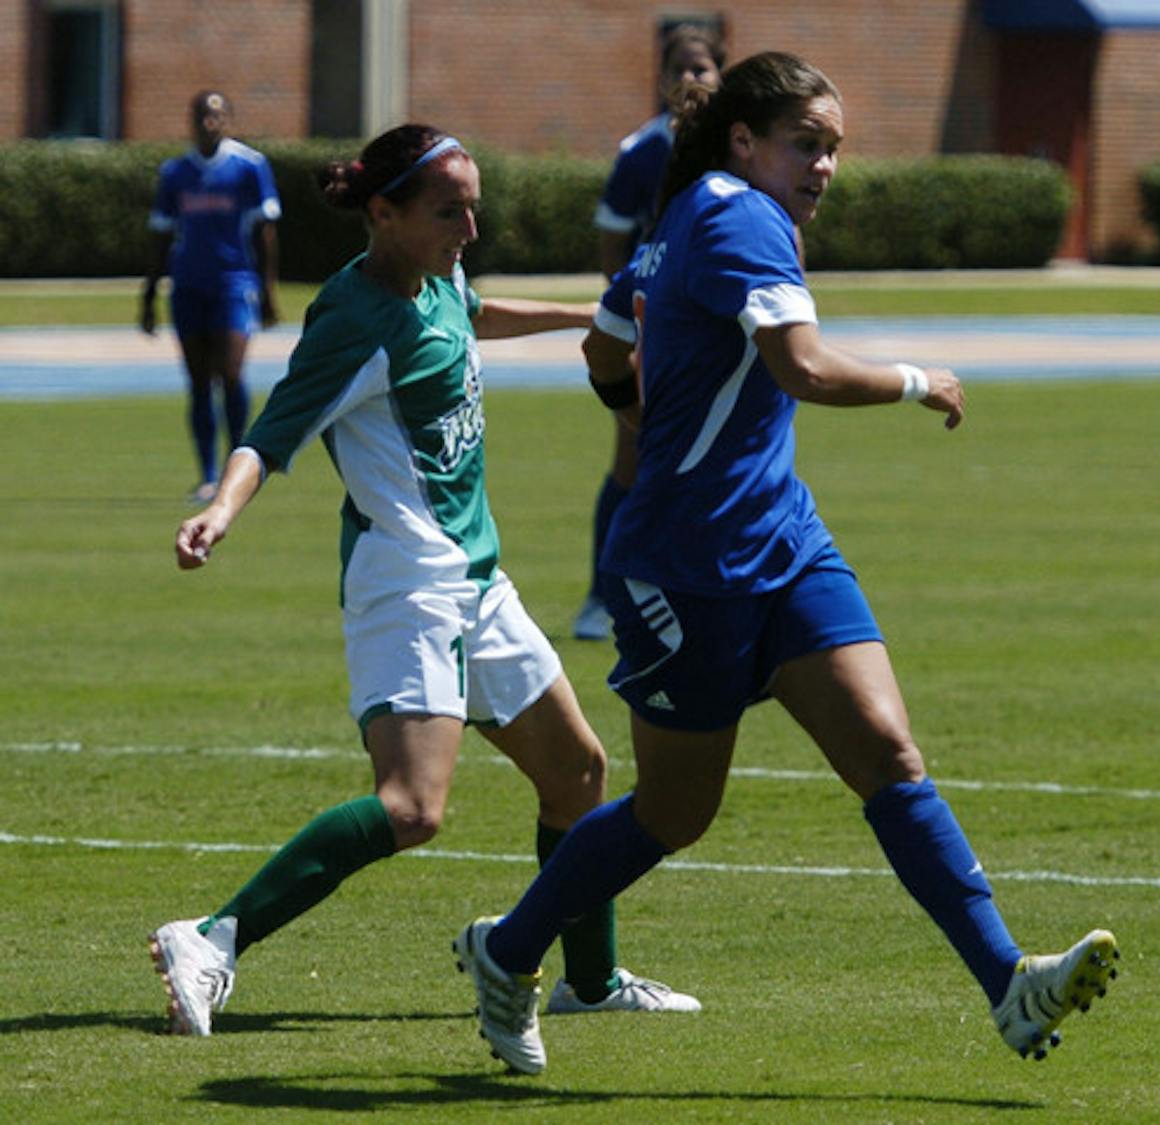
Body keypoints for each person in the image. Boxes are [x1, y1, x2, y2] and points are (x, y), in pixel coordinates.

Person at [452, 52, 1120, 1077]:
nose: (825, 167)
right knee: (675, 812)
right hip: (686, 566)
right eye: (806, 144)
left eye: (835, 148)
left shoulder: (684, 215)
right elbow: (799, 368)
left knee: (889, 753)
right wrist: (917, 380)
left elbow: (605, 345)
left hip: (784, 541)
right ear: (745, 141)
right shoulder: (741, 219)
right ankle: (509, 952)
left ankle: (1009, 984)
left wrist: (639, 421)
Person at [149, 124, 699, 1039]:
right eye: (450, 211)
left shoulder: (436, 278)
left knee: (578, 771)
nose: (469, 229)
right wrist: (221, 511)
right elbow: (270, 433)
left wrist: (586, 316)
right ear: (383, 212)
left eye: (472, 208)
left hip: (477, 578)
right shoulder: (353, 318)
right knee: (411, 807)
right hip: (405, 586)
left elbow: (472, 312)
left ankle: (591, 980)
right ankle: (210, 937)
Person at [572, 24, 727, 641]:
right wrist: (631, 313)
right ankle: (601, 596)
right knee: (634, 459)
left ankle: (702, 593)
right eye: (679, 68)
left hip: (719, 330)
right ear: (661, 79)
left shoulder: (741, 145)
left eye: (702, 68)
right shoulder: (643, 151)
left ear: (722, 75)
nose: (690, 79)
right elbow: (614, 236)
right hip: (656, 328)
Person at [142, 91, 281, 505]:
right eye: (202, 115)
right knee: (199, 381)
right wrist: (148, 296)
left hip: (234, 283)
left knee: (232, 373)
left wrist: (268, 290)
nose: (209, 123)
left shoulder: (249, 166)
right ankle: (206, 475)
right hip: (188, 286)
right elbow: (161, 234)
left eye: (217, 115)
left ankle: (236, 470)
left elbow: (265, 231)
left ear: (228, 120)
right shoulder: (175, 172)